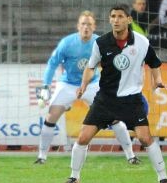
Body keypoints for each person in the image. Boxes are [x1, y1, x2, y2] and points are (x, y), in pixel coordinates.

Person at [62, 3, 167, 183]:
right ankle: (74, 177)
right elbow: (90, 67)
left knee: (145, 138)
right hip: (105, 99)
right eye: (113, 16)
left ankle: (163, 178)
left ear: (129, 20)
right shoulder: (101, 43)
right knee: (83, 137)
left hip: (131, 100)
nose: (116, 20)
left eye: (120, 16)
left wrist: (158, 80)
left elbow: (154, 63)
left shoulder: (142, 42)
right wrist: (83, 86)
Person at [35, 11, 138, 165]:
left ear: (94, 27)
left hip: (92, 84)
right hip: (68, 84)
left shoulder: (100, 42)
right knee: (51, 116)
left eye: (89, 24)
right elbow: (52, 64)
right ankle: (41, 157)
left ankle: (131, 156)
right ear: (78, 26)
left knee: (114, 118)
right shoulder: (67, 43)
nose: (86, 27)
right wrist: (45, 86)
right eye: (83, 24)